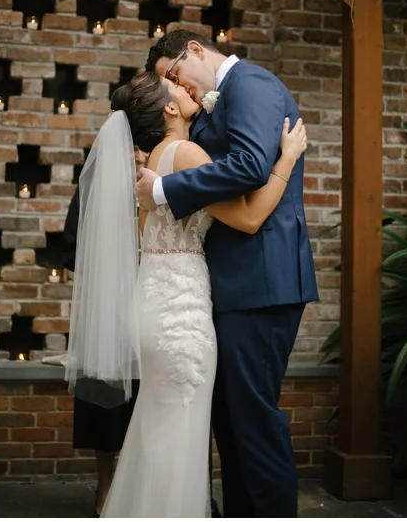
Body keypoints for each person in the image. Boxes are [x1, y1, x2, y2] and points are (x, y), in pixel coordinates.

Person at [66, 71, 307, 517]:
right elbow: (249, 218)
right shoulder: (186, 154)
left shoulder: (152, 162)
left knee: (157, 427)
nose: (186, 87)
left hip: (152, 304)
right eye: (175, 86)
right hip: (183, 315)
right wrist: (287, 160)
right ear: (170, 109)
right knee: (180, 433)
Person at [134, 31, 318, 517]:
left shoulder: (250, 84)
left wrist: (166, 188)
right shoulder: (210, 108)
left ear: (194, 50)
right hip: (227, 285)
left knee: (252, 421)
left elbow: (251, 166)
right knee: (232, 424)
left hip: (260, 280)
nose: (179, 88)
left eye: (173, 75)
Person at [63, 184, 140, 518]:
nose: (137, 155)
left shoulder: (164, 176)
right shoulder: (94, 187)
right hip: (107, 304)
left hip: (154, 297)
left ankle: (141, 485)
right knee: (104, 398)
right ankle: (105, 483)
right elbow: (71, 247)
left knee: (147, 399)